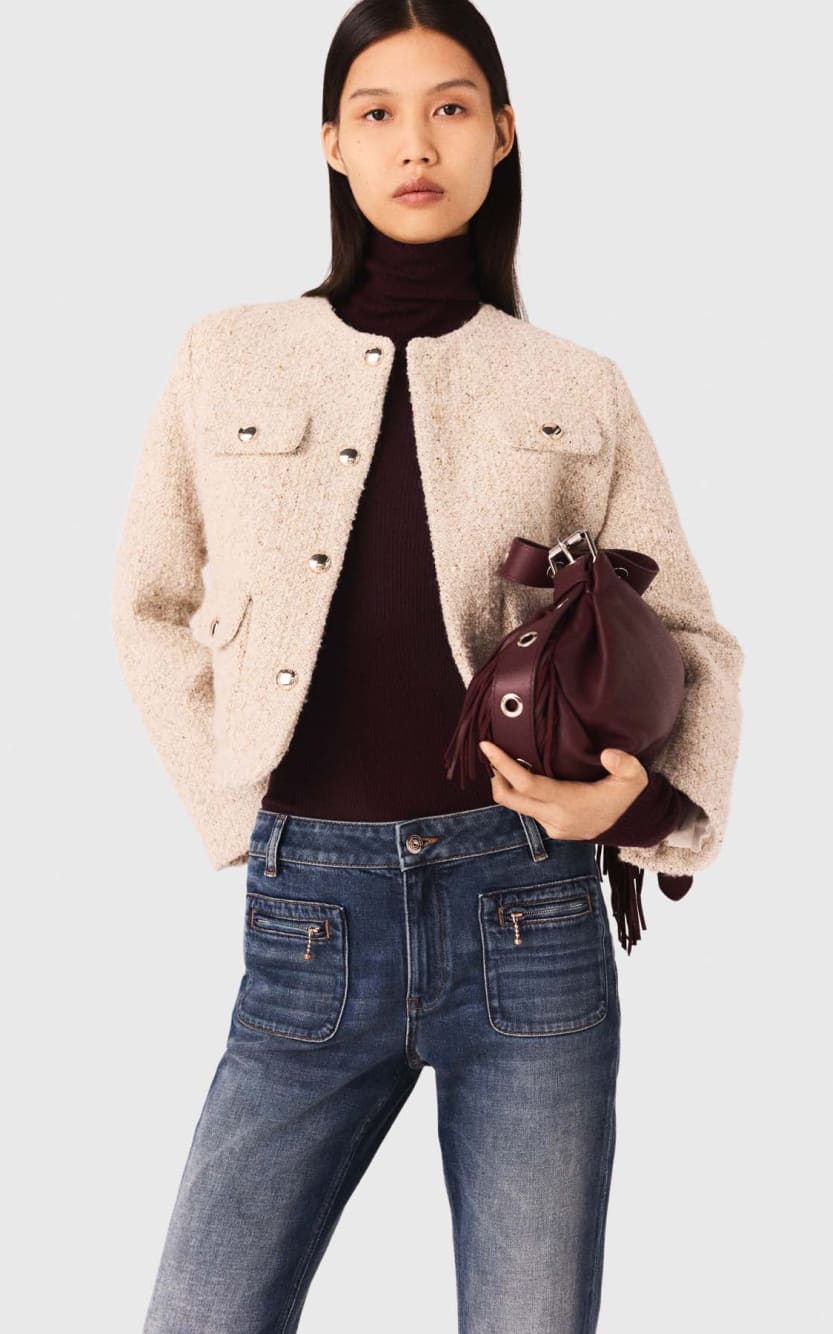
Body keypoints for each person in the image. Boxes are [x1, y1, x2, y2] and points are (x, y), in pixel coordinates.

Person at [112, 4, 743, 1331]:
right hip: (308, 919)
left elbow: (689, 634)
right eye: (380, 112)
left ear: (501, 135)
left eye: (452, 108)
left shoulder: (576, 382)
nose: (417, 143)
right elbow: (149, 601)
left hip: (529, 911)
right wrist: (239, 807)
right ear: (332, 143)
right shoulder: (225, 353)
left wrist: (633, 809)